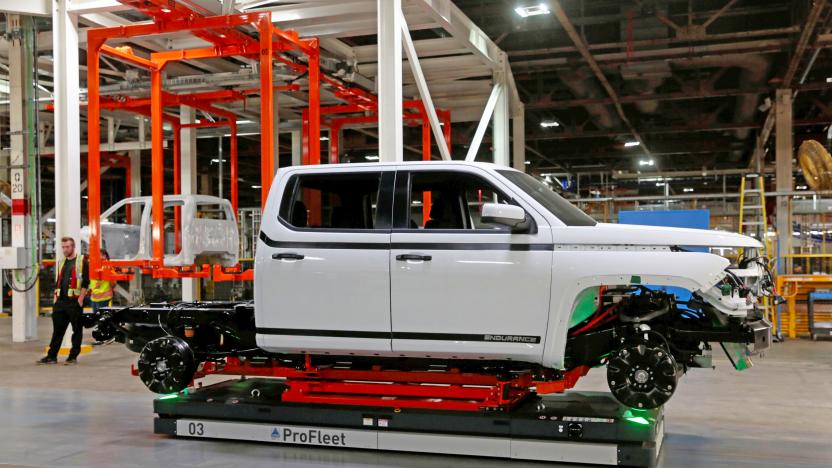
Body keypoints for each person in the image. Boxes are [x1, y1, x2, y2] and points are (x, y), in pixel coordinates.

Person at [37, 237, 89, 365]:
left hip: (74, 302)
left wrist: (80, 300)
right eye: (63, 247)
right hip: (60, 303)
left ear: (73, 247)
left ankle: (72, 357)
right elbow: (58, 283)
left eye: (67, 247)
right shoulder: (61, 262)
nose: (65, 249)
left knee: (76, 331)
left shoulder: (82, 262)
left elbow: (86, 283)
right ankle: (52, 356)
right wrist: (55, 300)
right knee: (57, 331)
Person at [89, 249, 113, 314]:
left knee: (102, 319)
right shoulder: (95, 265)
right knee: (96, 318)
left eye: (97, 255)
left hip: (103, 299)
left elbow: (112, 282)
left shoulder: (107, 266)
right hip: (94, 298)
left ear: (104, 256)